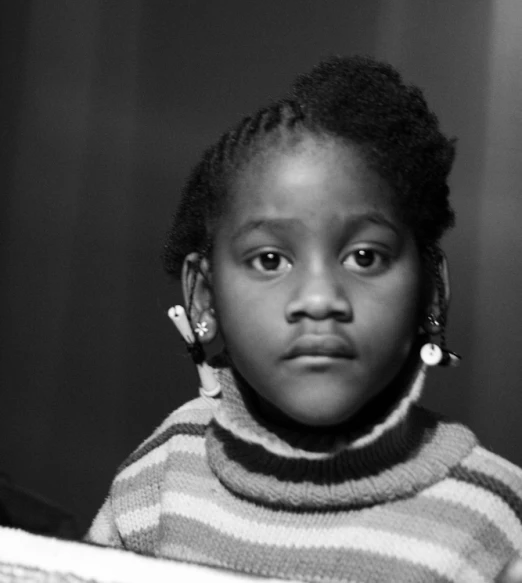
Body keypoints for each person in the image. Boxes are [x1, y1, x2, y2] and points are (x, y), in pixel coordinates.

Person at [86, 56, 522, 582]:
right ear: (202, 298)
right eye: (270, 260)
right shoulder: (157, 483)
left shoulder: (495, 527)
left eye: (365, 257)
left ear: (432, 290)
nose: (319, 299)